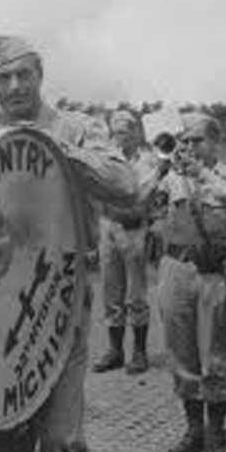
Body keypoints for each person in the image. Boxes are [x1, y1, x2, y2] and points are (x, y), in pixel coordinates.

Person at [0, 35, 140, 452]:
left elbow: (127, 186)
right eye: (3, 79)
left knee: (61, 449)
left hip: (66, 305)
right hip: (6, 311)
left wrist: (57, 151)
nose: (15, 87)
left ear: (40, 73)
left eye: (24, 75)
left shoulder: (76, 127)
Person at [157, 112, 226, 452]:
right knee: (180, 351)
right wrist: (164, 167)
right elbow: (142, 200)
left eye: (197, 140)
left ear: (214, 142)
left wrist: (202, 174)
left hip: (214, 273)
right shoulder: (171, 175)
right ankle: (194, 429)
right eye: (185, 140)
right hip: (176, 268)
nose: (189, 146)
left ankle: (216, 431)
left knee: (213, 352)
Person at [92, 110, 155, 375]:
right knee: (111, 290)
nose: (119, 136)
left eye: (124, 131)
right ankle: (115, 350)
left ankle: (139, 352)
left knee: (137, 293)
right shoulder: (107, 158)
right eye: (115, 131)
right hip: (109, 225)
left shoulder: (149, 160)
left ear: (135, 132)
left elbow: (142, 194)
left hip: (134, 228)